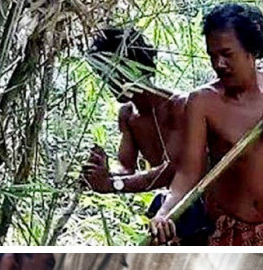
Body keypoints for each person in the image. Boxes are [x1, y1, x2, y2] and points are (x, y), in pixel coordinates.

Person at [150, 3, 263, 246]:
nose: (219, 64)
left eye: (227, 54)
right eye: (213, 56)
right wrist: (165, 211)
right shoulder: (202, 102)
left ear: (252, 50)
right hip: (227, 229)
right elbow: (189, 172)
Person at [81, 28, 210, 244]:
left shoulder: (181, 107)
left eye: (111, 73)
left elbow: (172, 171)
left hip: (203, 205)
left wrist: (112, 185)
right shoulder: (128, 116)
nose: (107, 82)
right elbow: (126, 169)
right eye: (102, 76)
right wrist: (100, 173)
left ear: (132, 68)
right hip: (171, 206)